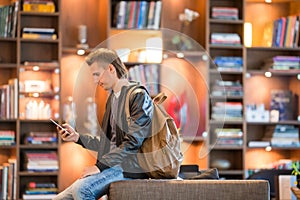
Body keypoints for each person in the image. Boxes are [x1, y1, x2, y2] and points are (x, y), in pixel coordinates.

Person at [53, 48, 154, 200]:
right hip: (113, 166)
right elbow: (107, 144)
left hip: (130, 168)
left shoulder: (138, 96)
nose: (95, 80)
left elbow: (133, 142)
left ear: (111, 68)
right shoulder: (113, 99)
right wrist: (77, 137)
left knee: (82, 190)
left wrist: (99, 167)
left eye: (96, 74)